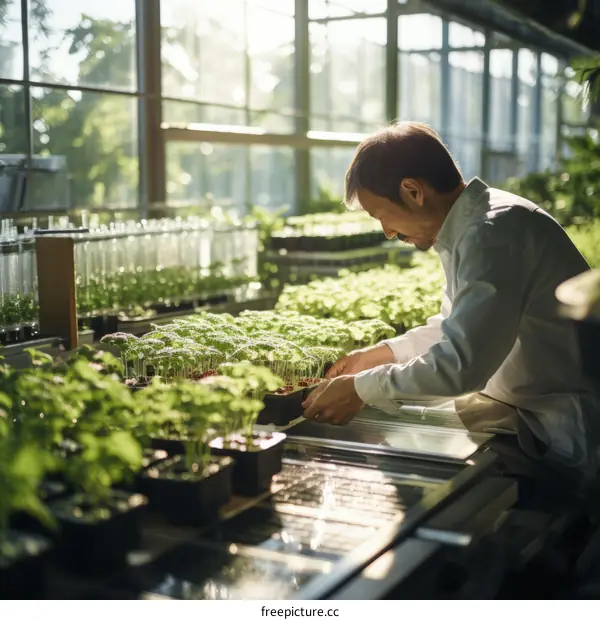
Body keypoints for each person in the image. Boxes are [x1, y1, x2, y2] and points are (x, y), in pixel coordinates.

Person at [301, 120, 600, 478]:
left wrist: (362, 388)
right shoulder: (478, 225)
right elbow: (458, 326)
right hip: (523, 408)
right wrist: (381, 354)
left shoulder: (493, 233)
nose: (388, 232)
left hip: (559, 429)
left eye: (382, 215)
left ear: (412, 190)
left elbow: (461, 365)